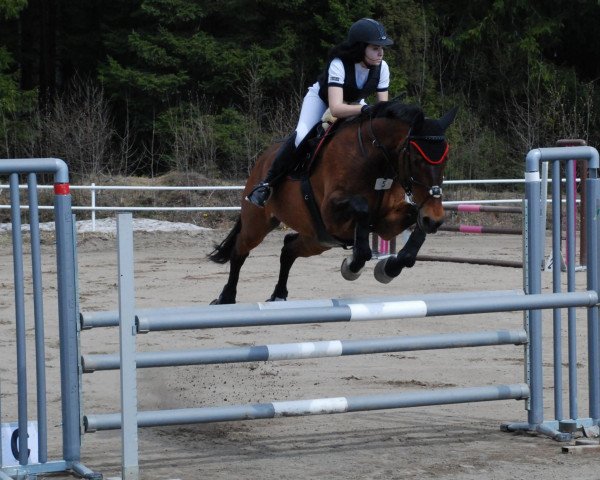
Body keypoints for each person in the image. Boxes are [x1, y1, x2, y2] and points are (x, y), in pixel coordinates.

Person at [245, 17, 393, 207]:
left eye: (381, 48)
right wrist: (366, 108)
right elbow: (336, 108)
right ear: (360, 47)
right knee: (301, 136)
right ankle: (266, 184)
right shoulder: (339, 64)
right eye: (375, 48)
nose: (380, 52)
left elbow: (383, 108)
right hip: (324, 100)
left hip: (356, 103)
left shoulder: (383, 68)